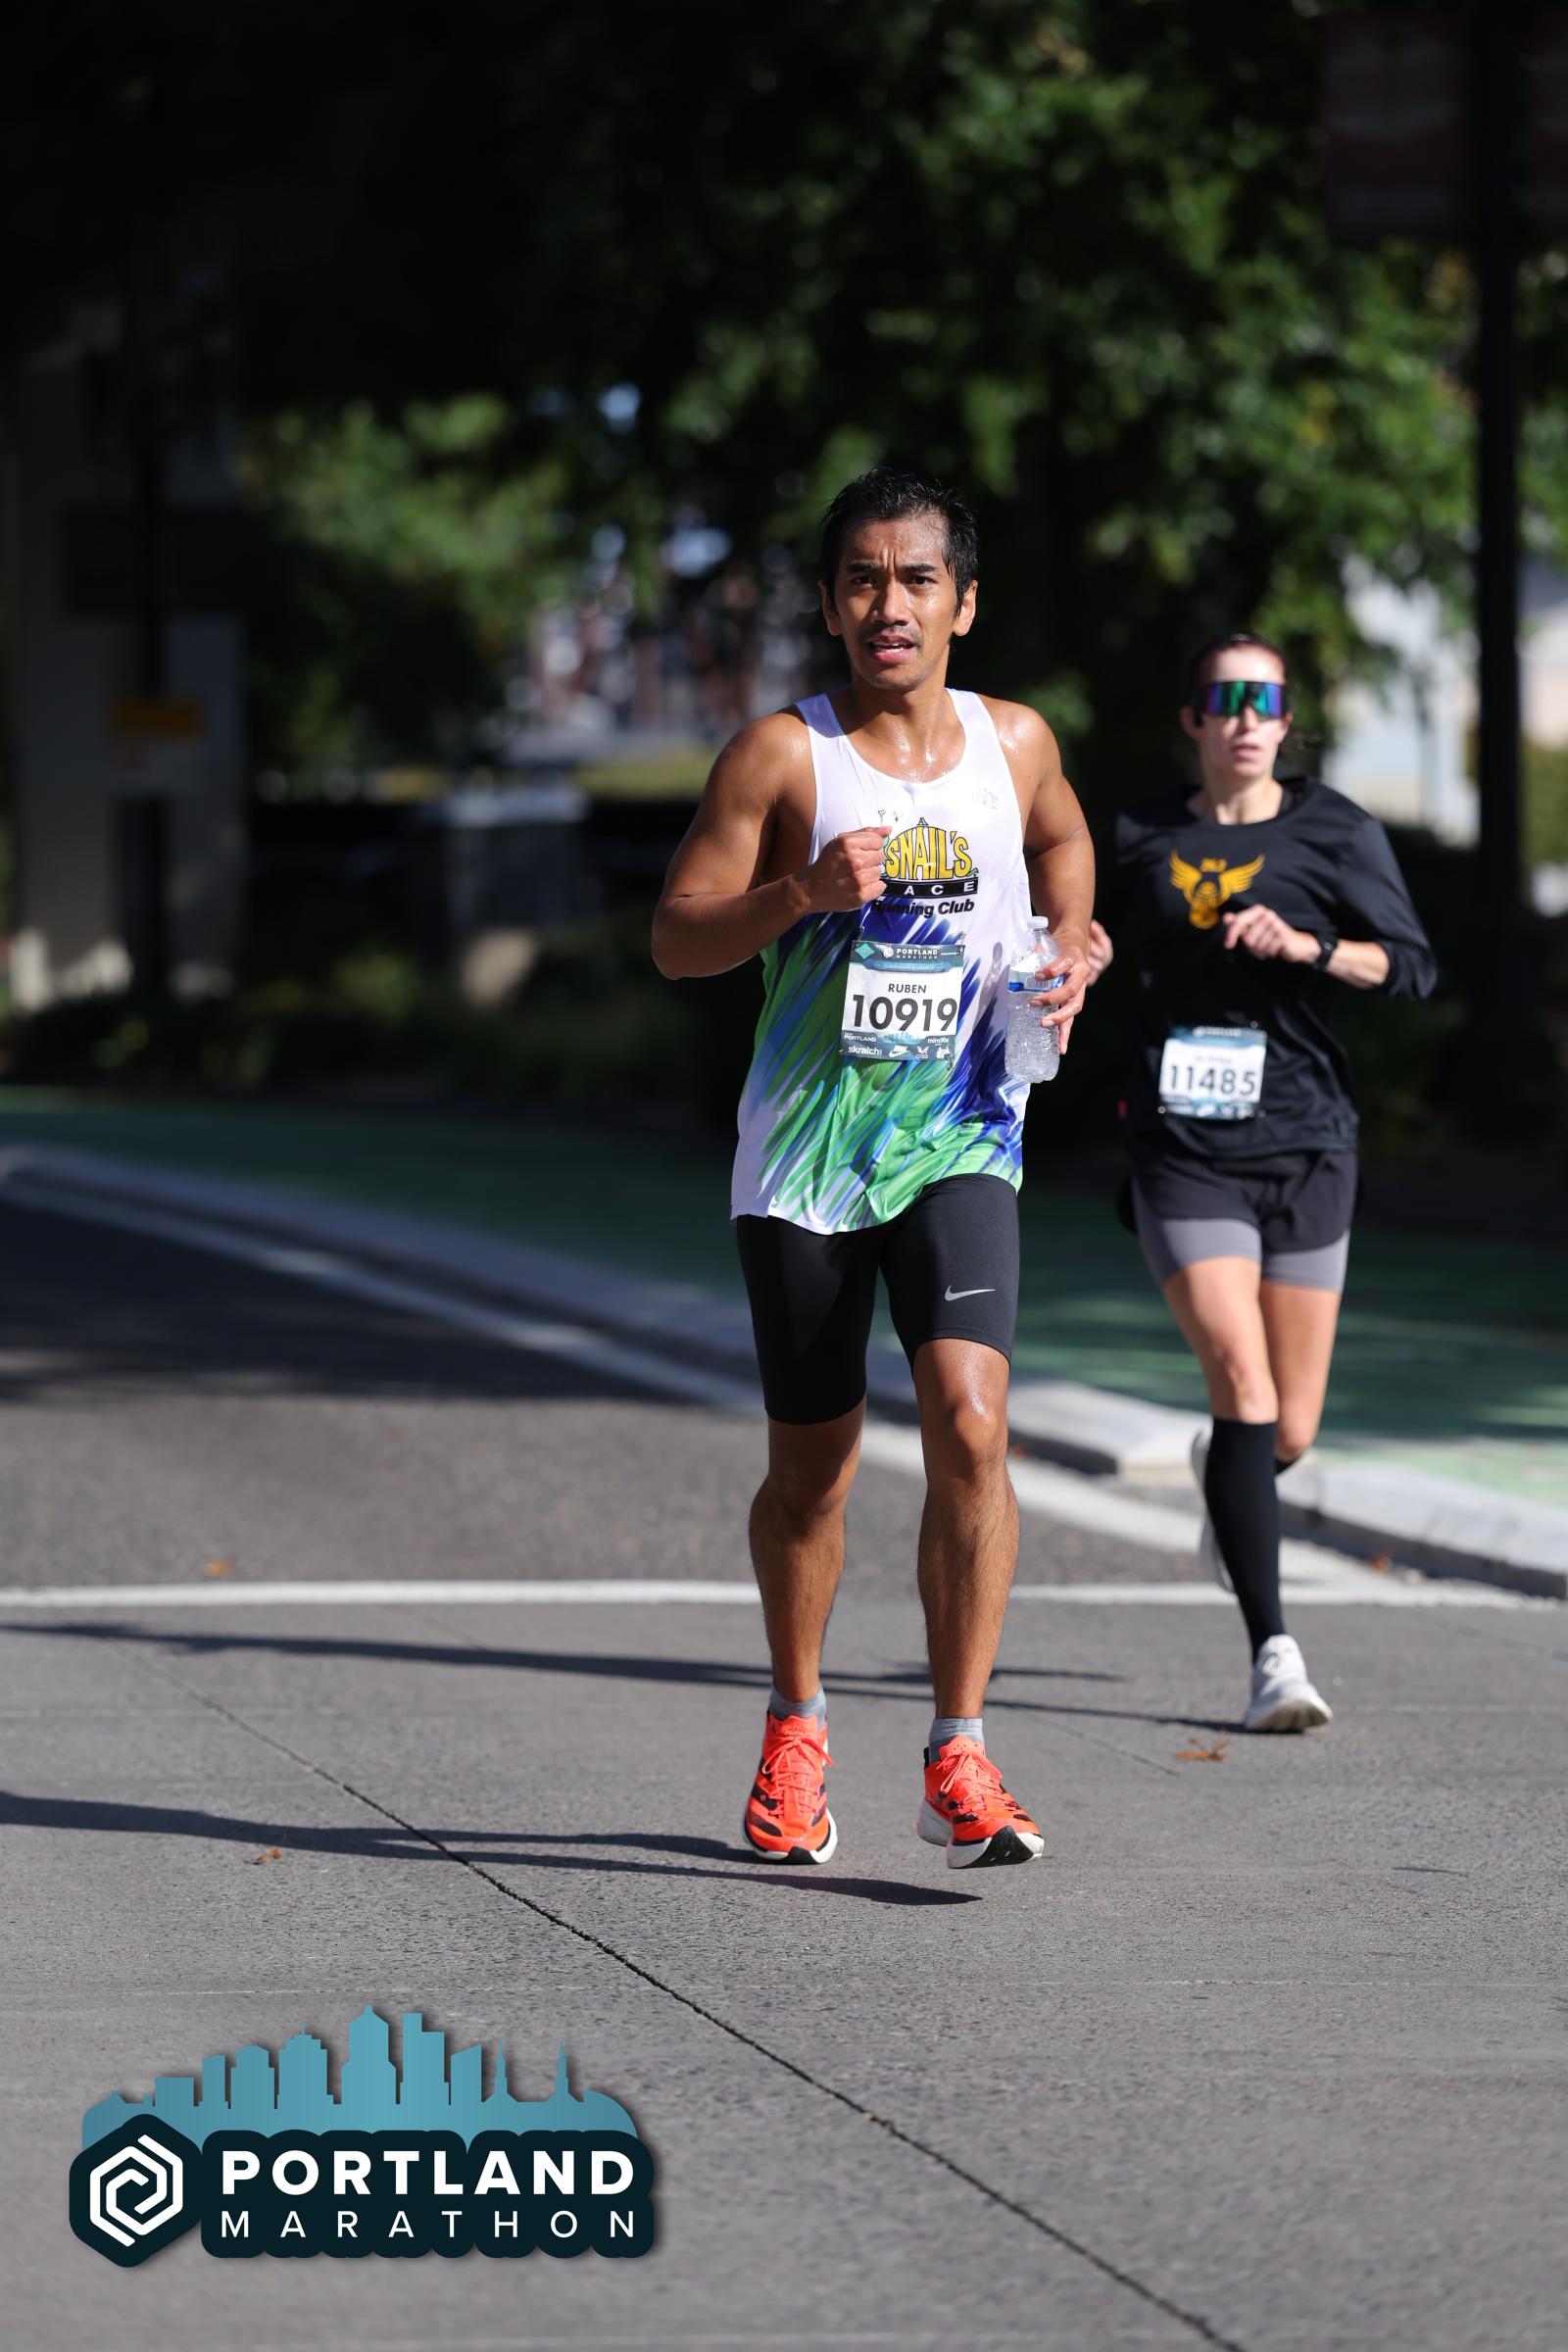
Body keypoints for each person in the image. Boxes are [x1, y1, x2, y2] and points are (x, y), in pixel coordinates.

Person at [653, 467, 1093, 1866]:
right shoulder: (782, 756)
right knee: (814, 1475)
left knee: (972, 1420)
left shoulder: (1014, 742)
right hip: (807, 1157)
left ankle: (959, 1751)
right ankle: (796, 1726)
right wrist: (798, 894)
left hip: (963, 1130)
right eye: (861, 579)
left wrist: (1075, 944)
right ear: (832, 603)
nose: (887, 604)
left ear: (964, 603)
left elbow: (1063, 839)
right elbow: (675, 937)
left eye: (915, 579)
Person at [1088, 632, 1437, 1730]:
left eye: (1265, 699)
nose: (1245, 716)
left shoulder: (1337, 831)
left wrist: (1308, 948)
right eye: (1225, 697)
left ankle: (1229, 1469)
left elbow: (1409, 964)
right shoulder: (1140, 835)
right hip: (1183, 1148)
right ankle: (1273, 1657)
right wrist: (1081, 954)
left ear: (1287, 721)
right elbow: (1082, 930)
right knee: (1243, 1387)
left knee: (1287, 1429)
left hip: (1308, 1142)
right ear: (1193, 718)